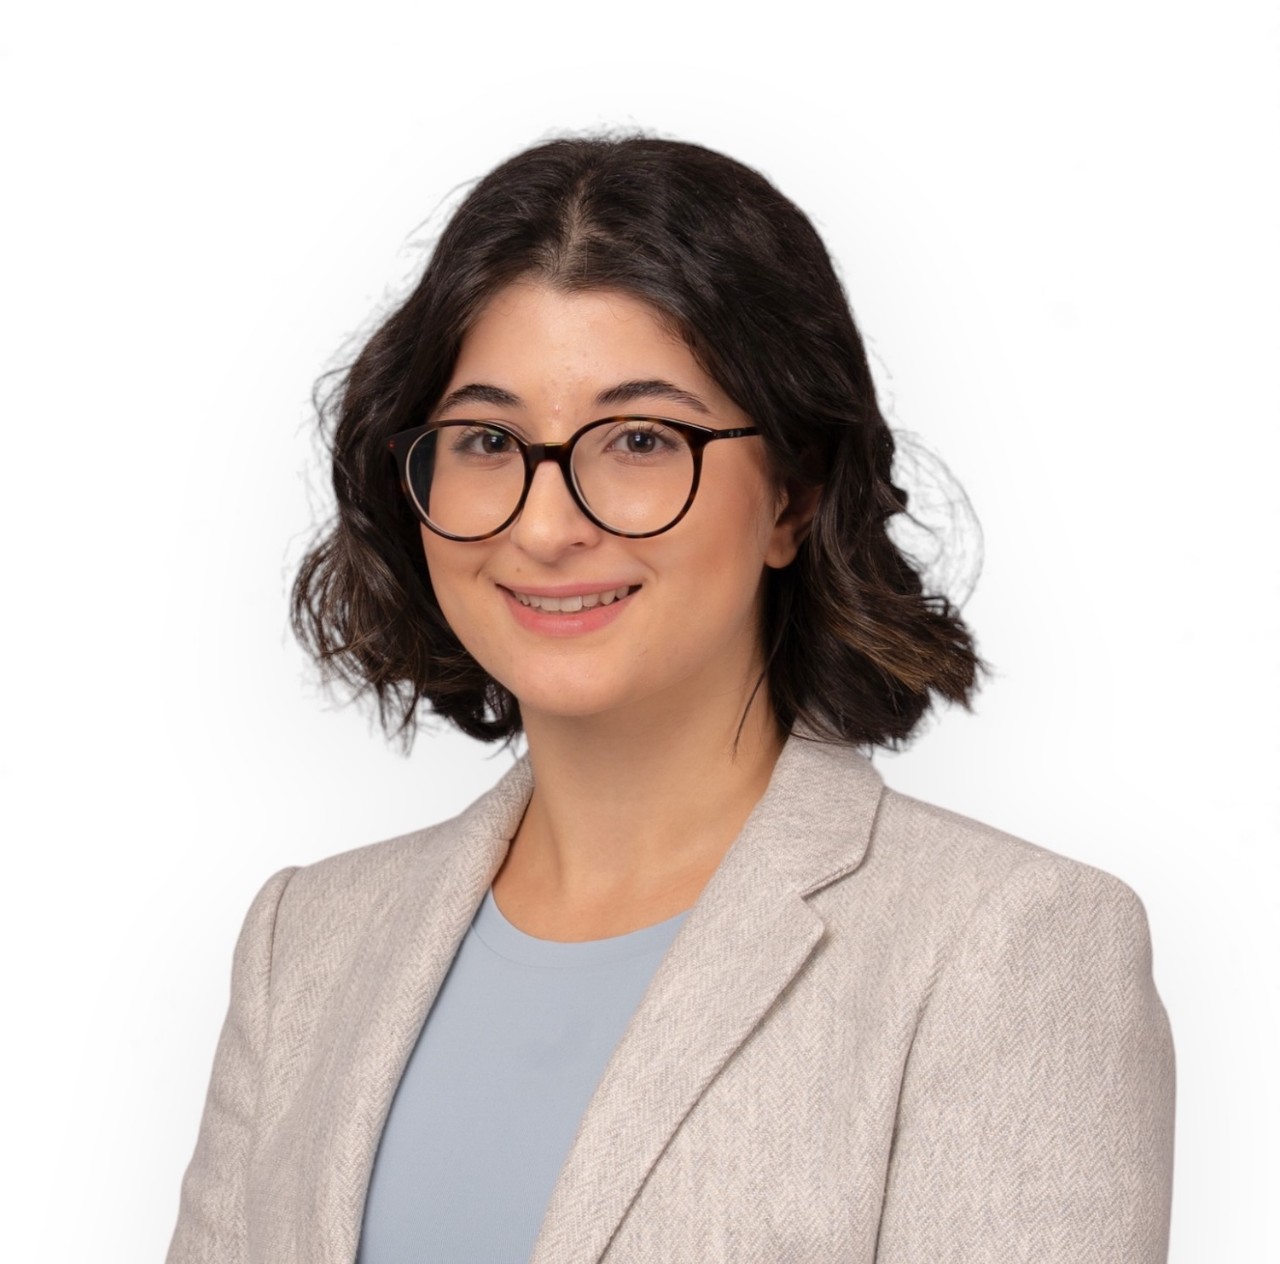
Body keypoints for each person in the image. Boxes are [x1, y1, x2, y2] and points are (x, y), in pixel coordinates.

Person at [165, 136, 1175, 1263]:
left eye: (640, 438)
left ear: (792, 496)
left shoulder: (1005, 946)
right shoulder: (303, 943)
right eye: (488, 439)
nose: (545, 526)